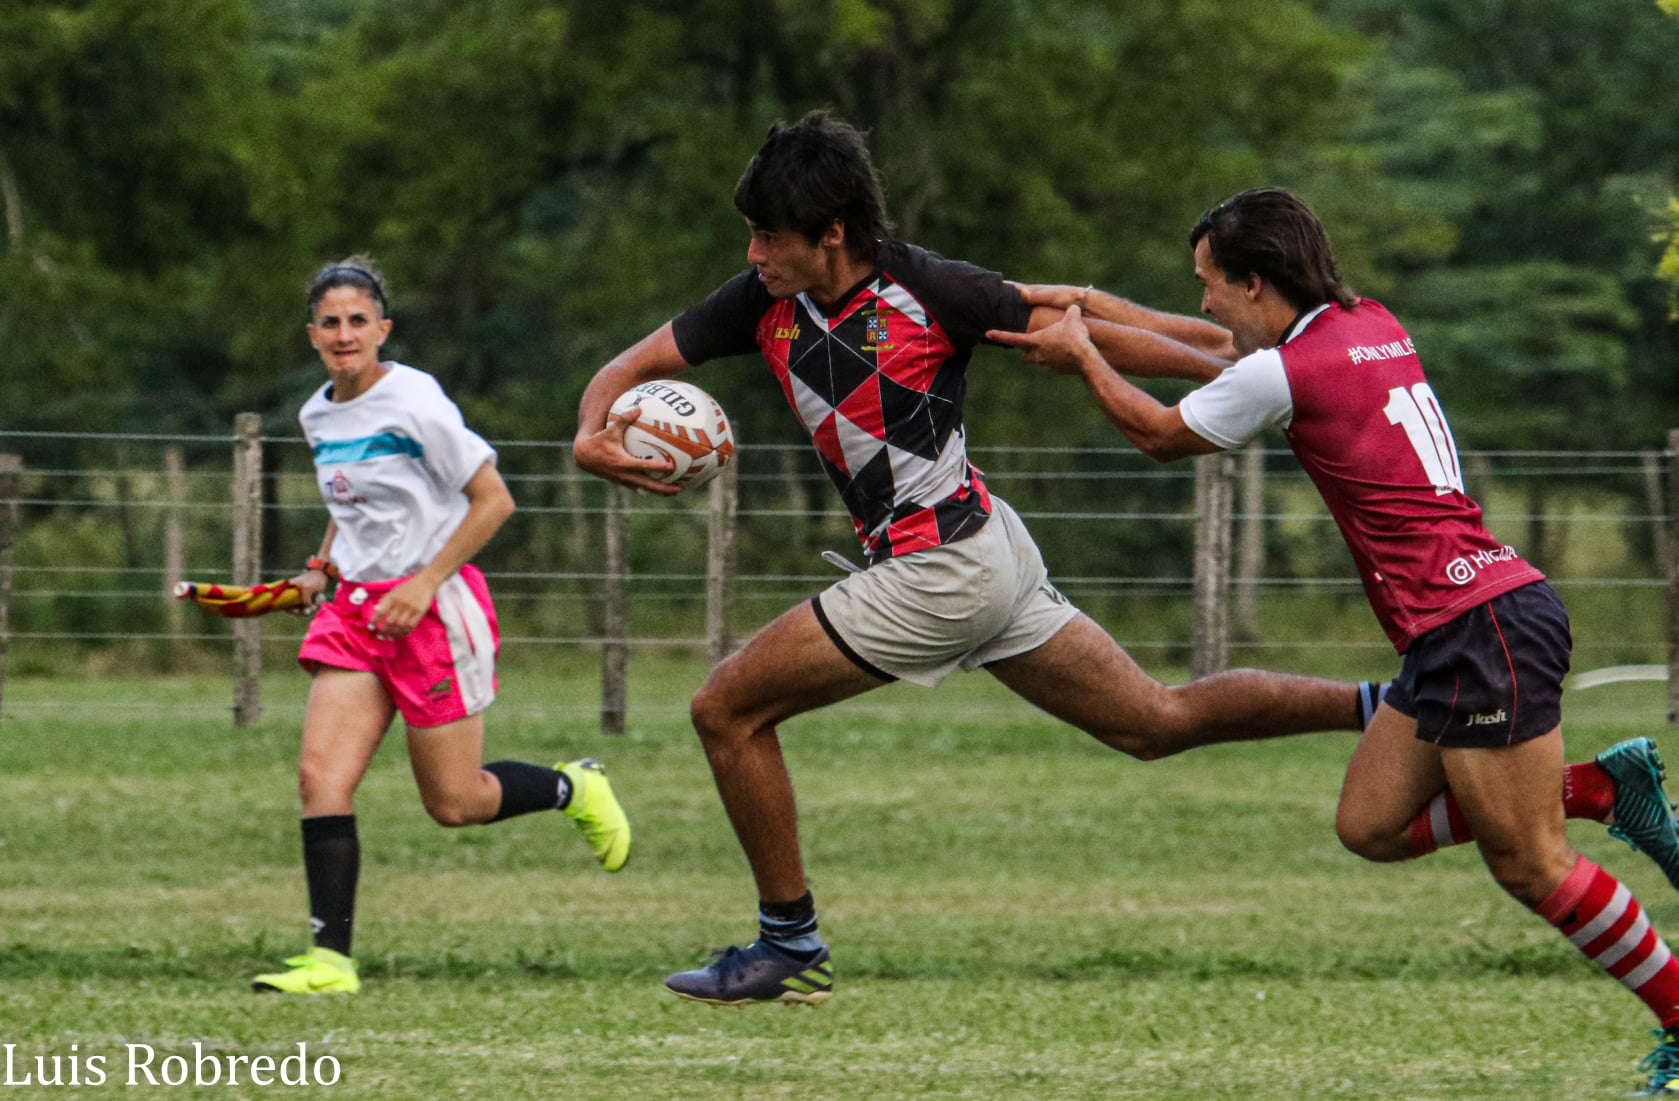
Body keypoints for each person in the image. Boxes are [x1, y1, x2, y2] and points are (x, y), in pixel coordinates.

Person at [573, 112, 1390, 1009]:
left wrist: (1232, 367)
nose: (754, 249)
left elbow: (1081, 328)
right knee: (1152, 722)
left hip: (942, 568)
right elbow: (630, 362)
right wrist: (589, 435)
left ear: (832, 232)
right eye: (752, 232)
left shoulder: (929, 288)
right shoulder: (760, 300)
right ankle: (1389, 703)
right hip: (980, 551)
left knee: (724, 709)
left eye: (769, 234)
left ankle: (788, 941)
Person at [989, 187, 1679, 1093]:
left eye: (1208, 283)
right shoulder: (1364, 323)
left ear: (1255, 280)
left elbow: (1160, 434)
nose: (1201, 301)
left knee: (1531, 863)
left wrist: (1081, 353)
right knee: (1371, 825)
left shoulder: (1285, 370)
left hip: (1482, 626)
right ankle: (1593, 785)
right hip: (1462, 625)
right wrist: (1079, 302)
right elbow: (1199, 343)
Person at [251, 257, 632, 995]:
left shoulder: (416, 401)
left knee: (455, 803)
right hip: (357, 614)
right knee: (318, 777)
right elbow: (352, 501)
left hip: (434, 611)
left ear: (382, 329)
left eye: (358, 320)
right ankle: (330, 960)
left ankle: (572, 787)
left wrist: (424, 585)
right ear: (312, 334)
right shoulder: (316, 413)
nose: (343, 333)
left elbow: (494, 501)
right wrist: (322, 568)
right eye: (330, 322)